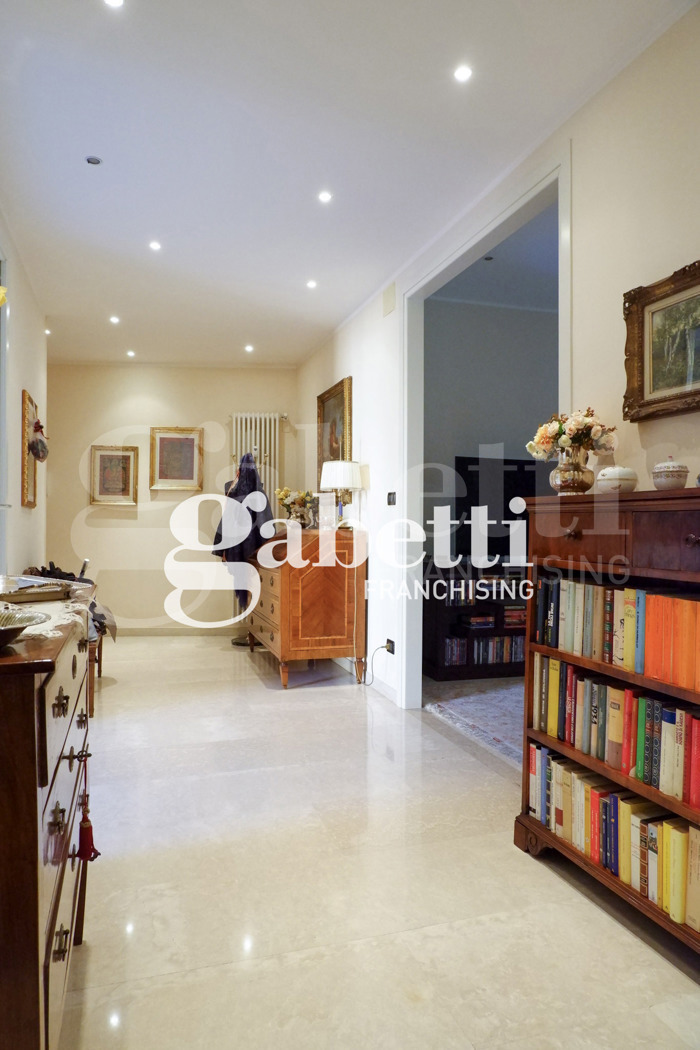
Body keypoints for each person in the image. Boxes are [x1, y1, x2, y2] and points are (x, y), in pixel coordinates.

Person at [212, 452, 273, 607]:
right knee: (249, 583)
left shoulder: (239, 492)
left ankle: (248, 608)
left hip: (241, 545)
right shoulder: (255, 493)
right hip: (251, 546)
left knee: (245, 582)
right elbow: (265, 520)